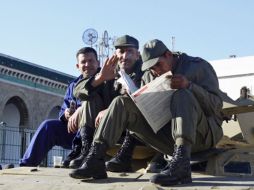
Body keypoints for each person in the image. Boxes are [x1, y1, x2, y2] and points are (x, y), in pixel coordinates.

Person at [69, 39, 224, 186]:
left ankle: (182, 166)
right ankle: (96, 158)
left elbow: (216, 107)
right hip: (168, 139)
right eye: (151, 68)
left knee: (182, 94)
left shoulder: (197, 67)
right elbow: (80, 92)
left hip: (203, 137)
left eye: (158, 65)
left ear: (168, 55)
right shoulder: (149, 74)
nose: (155, 71)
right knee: (121, 102)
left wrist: (189, 86)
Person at [66, 35, 144, 169]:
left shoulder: (146, 72)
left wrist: (109, 110)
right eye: (121, 51)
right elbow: (78, 91)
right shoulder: (110, 73)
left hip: (137, 133)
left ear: (138, 55)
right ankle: (87, 151)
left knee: (132, 103)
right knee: (91, 98)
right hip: (109, 130)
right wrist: (100, 78)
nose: (124, 56)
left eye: (129, 51)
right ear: (115, 54)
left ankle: (124, 156)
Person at [19, 47, 100, 167]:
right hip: (74, 132)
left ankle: (79, 153)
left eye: (91, 61)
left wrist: (80, 111)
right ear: (78, 66)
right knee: (48, 126)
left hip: (97, 132)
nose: (87, 64)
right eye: (83, 62)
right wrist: (67, 113)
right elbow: (63, 109)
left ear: (98, 63)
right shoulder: (73, 85)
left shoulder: (106, 79)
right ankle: (27, 165)